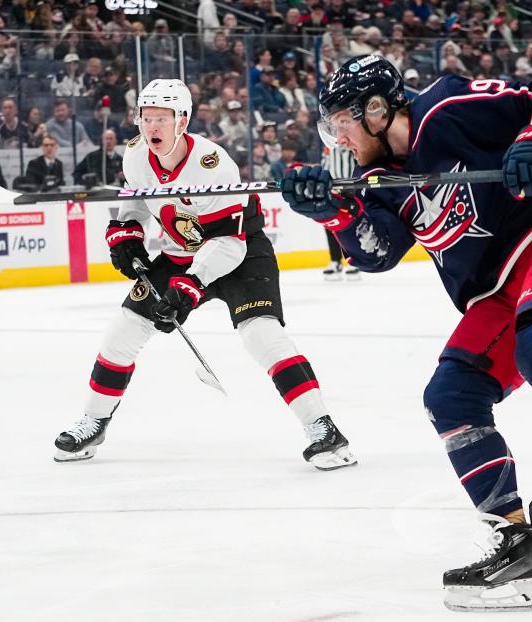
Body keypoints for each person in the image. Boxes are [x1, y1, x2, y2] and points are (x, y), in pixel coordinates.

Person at [280, 56, 532, 612]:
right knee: (452, 396)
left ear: (375, 110)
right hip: (496, 287)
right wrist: (333, 214)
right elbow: (378, 253)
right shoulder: (379, 181)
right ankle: (515, 546)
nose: (336, 136)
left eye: (341, 120)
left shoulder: (446, 107)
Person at [53, 79, 356, 472]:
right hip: (182, 253)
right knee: (123, 330)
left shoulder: (213, 165)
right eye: (146, 119)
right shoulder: (135, 157)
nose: (152, 128)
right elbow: (138, 204)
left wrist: (191, 286)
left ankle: (324, 429)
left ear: (183, 121)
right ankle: (94, 422)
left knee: (262, 336)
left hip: (240, 250)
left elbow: (228, 244)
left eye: (162, 118)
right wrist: (126, 234)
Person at [320, 145, 359, 281]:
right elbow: (325, 163)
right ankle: (336, 261)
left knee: (349, 225)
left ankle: (354, 260)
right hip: (330, 189)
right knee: (330, 226)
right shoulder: (327, 145)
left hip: (349, 188)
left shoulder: (349, 140)